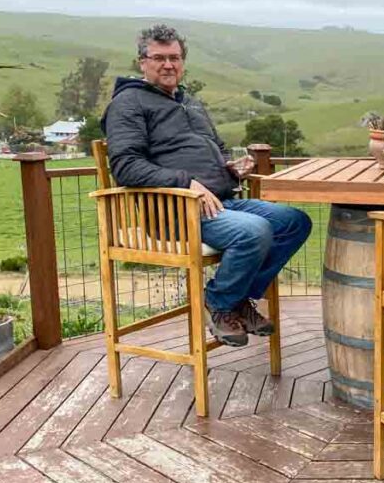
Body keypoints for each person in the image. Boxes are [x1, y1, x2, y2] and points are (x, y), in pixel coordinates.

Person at [102, 23, 311, 347]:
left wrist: (230, 167)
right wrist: (187, 182)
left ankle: (236, 296)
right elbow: (126, 166)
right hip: (175, 210)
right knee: (254, 231)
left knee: (294, 222)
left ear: (183, 61)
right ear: (142, 62)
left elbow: (215, 147)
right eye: (159, 57)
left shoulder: (190, 102)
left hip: (221, 201)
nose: (168, 64)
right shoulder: (128, 104)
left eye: (174, 57)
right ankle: (219, 301)